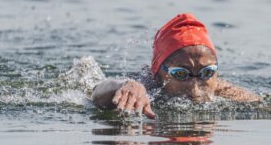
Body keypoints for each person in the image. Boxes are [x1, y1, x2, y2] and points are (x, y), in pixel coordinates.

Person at [92, 13, 260, 118]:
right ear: (157, 72)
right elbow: (96, 92)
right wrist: (123, 85)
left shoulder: (224, 90)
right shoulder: (144, 87)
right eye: (180, 74)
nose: (195, 89)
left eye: (207, 72)